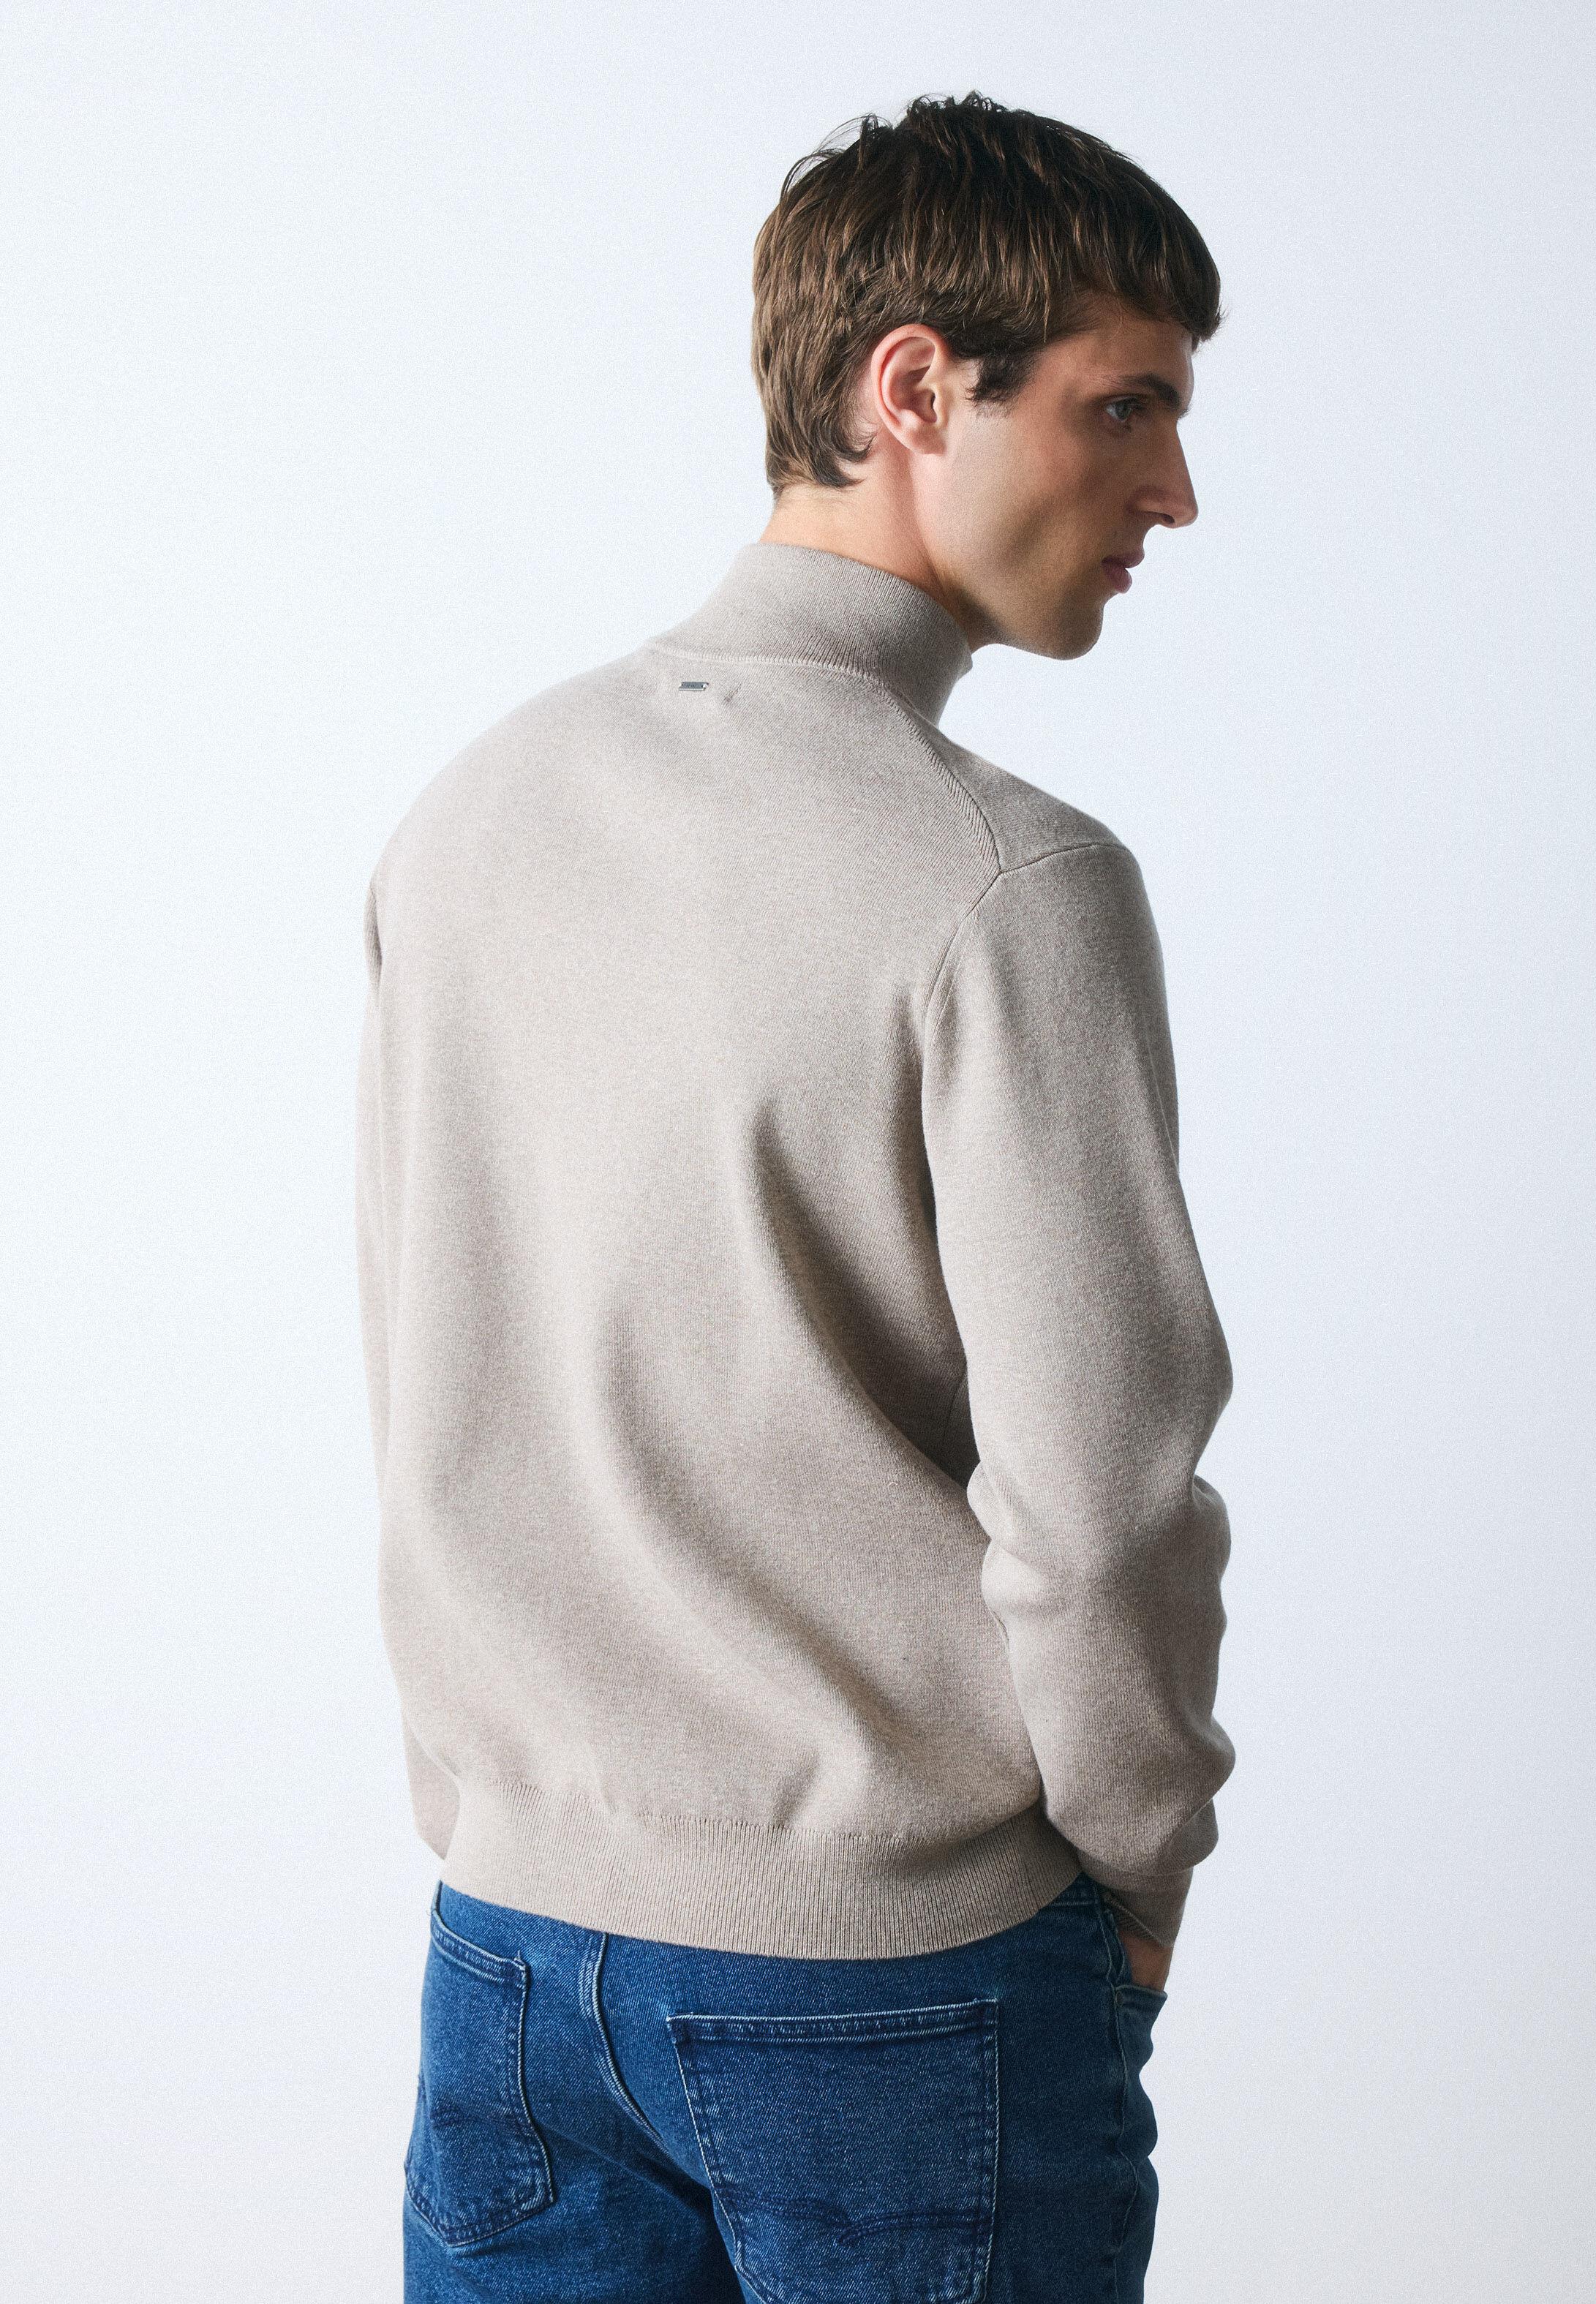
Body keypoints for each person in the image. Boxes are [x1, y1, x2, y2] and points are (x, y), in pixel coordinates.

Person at [357, 89, 1235, 2303]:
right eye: (1123, 408)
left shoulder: (476, 810)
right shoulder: (1007, 882)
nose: (1173, 491)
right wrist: (1138, 1866)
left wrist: (500, 1815)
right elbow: (1100, 1504)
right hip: (898, 1974)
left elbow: (428, 1369)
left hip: (510, 1948)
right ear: (913, 387)